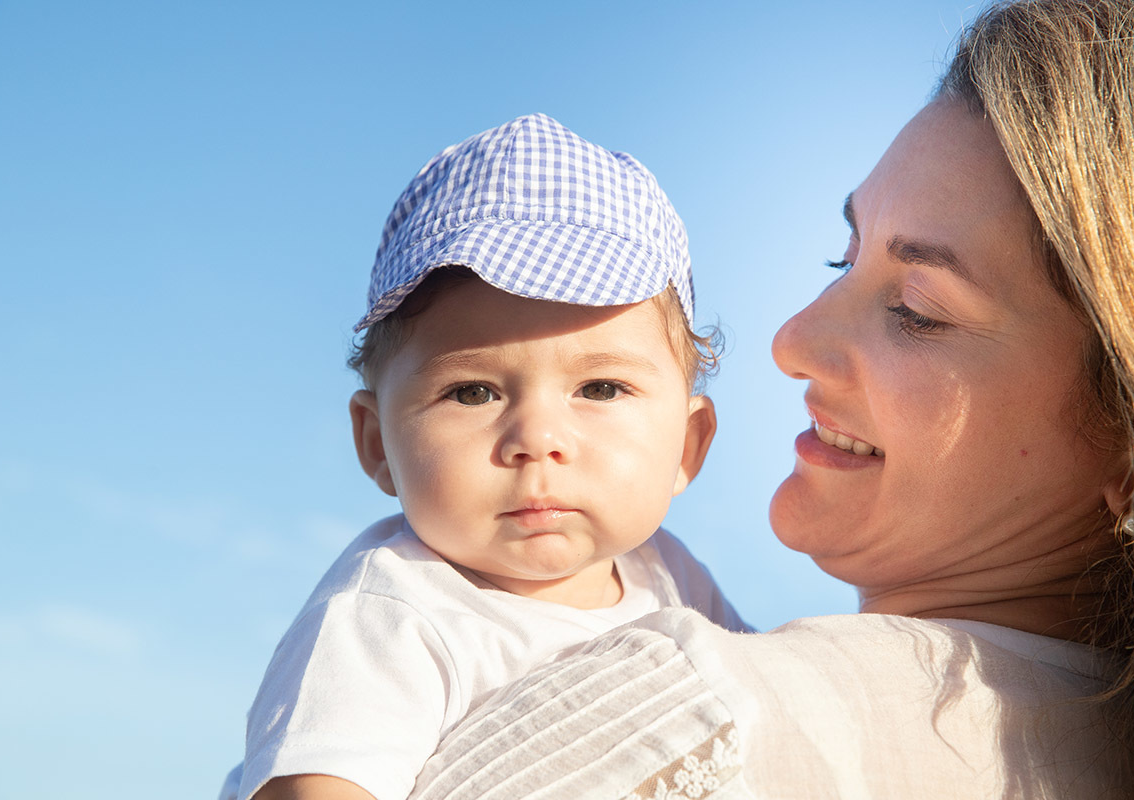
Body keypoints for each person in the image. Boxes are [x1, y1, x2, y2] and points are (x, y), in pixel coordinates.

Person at [400, 2, 1134, 798]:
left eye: (918, 310)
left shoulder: (693, 716)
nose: (791, 340)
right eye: (841, 260)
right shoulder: (1130, 757)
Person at [218, 113, 749, 800]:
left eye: (600, 387)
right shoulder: (390, 614)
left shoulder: (672, 579)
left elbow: (768, 702)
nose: (537, 438)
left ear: (690, 442)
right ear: (378, 443)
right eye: (473, 391)